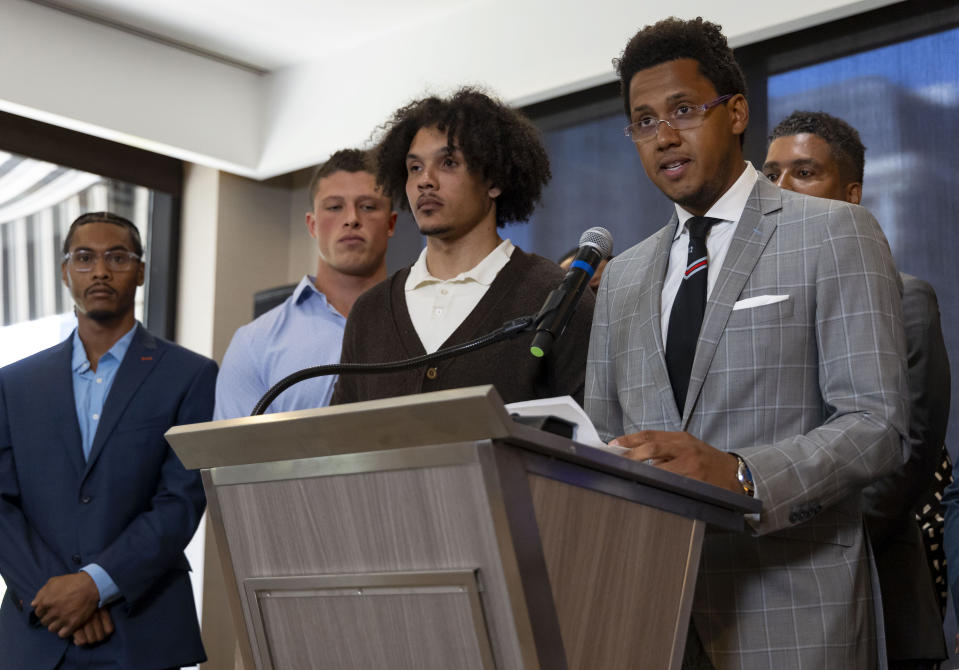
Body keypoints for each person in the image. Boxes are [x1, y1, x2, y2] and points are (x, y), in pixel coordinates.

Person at [586, 18, 908, 669]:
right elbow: (601, 438)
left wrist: (739, 475)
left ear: (735, 112)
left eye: (682, 109)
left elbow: (877, 425)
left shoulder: (834, 232)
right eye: (643, 122)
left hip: (790, 612)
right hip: (650, 618)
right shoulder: (618, 278)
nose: (663, 136)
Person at [764, 109, 949, 670]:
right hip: (768, 598)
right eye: (770, 175)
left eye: (803, 172)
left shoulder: (904, 296)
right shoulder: (759, 308)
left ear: (851, 195)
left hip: (874, 597)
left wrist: (789, 543)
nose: (782, 188)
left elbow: (902, 458)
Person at [0, 212, 215, 669]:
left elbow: (181, 500)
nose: (100, 270)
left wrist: (95, 585)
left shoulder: (191, 375)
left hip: (144, 629)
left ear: (140, 271)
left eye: (117, 257)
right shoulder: (13, 384)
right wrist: (57, 596)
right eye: (84, 258)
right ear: (64, 272)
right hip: (36, 632)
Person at [332, 88, 593, 406]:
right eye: (414, 168)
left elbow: (589, 437)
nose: (425, 180)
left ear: (494, 180)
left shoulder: (556, 296)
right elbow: (344, 444)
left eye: (448, 163)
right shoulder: (370, 312)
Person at [215, 149, 396, 418]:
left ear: (391, 224)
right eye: (335, 207)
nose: (351, 219)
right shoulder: (254, 344)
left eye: (368, 206)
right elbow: (233, 456)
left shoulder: (429, 322)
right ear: (312, 225)